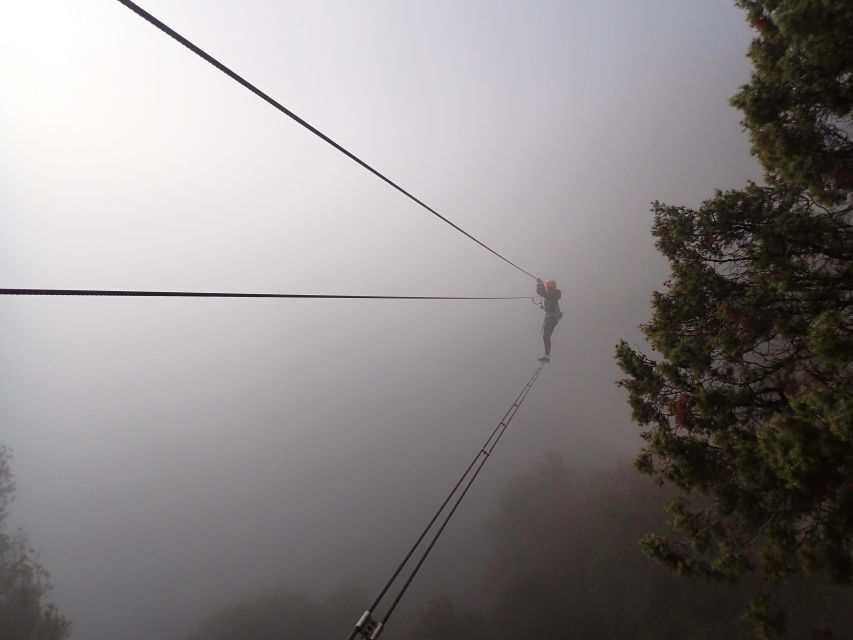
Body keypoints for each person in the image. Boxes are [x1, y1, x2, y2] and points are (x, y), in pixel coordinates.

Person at [536, 278, 562, 362]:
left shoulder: (551, 293)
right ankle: (547, 356)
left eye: (547, 286)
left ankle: (547, 357)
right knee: (546, 337)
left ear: (549, 287)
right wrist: (544, 308)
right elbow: (550, 304)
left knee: (546, 337)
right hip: (553, 318)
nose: (546, 288)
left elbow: (541, 292)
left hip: (551, 318)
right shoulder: (553, 294)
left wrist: (539, 283)